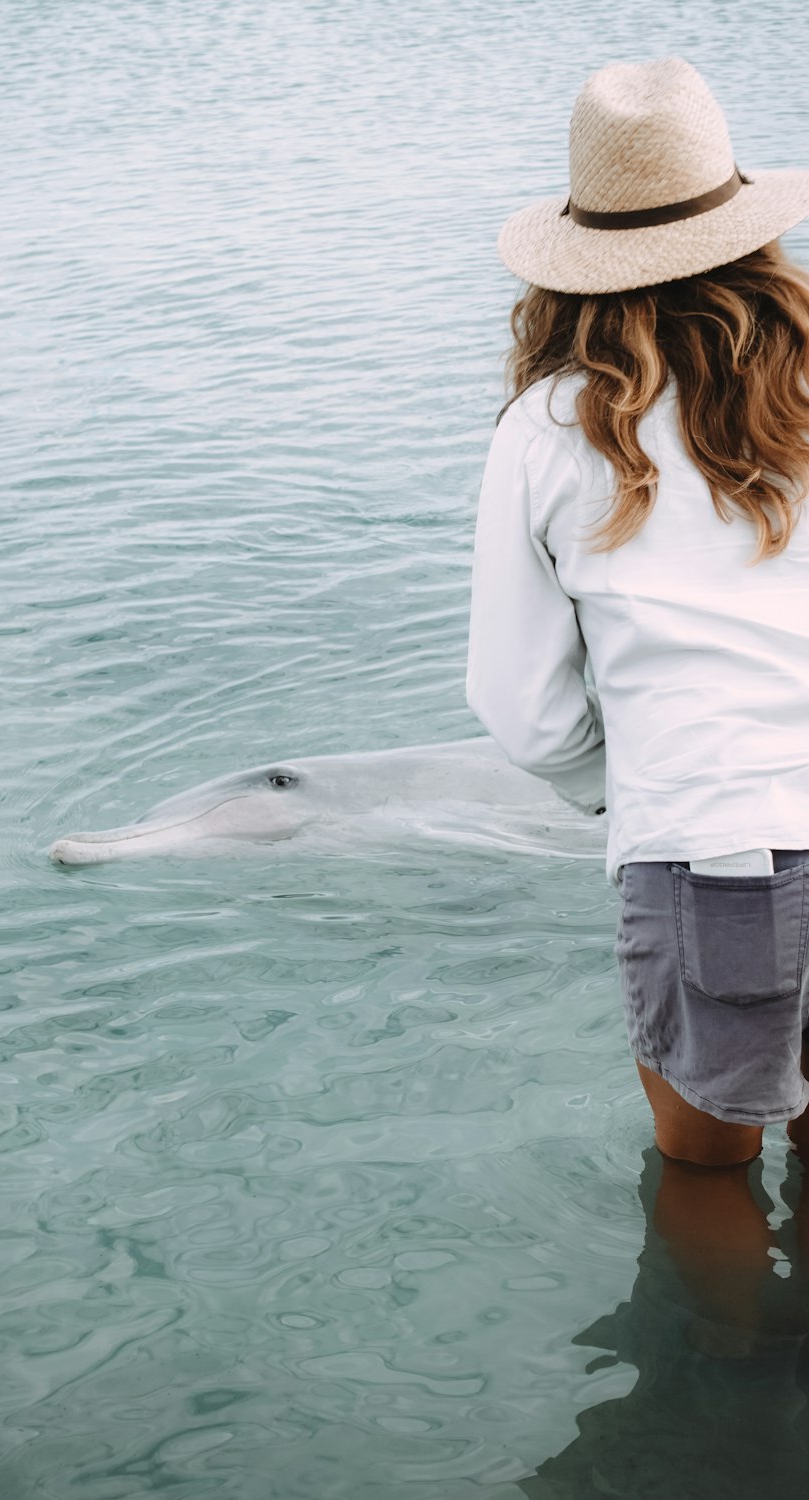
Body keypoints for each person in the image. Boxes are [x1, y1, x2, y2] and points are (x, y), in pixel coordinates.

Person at [467, 57, 809, 1347]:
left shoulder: (554, 426)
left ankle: (729, 1429)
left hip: (711, 843)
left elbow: (520, 705)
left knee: (710, 1167)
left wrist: (628, 782)